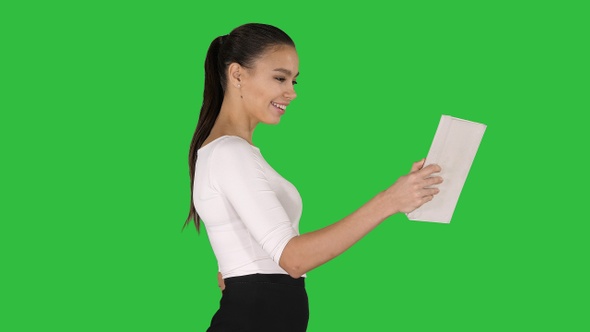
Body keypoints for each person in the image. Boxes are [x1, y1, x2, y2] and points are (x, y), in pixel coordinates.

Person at [184, 23, 443, 332]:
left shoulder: (228, 152)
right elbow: (292, 260)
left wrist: (238, 270)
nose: (291, 92)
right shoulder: (230, 153)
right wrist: (390, 201)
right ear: (237, 75)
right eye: (280, 78)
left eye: (294, 80)